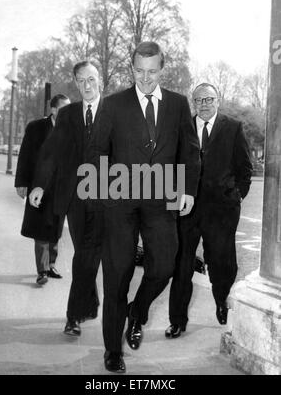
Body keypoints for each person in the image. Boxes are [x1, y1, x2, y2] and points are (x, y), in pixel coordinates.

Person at [91, 41, 201, 373]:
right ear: (132, 68)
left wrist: (188, 191)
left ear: (162, 69)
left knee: (164, 267)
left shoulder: (179, 105)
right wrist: (104, 196)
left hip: (161, 198)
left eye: (152, 71)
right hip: (120, 201)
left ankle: (137, 312)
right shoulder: (112, 105)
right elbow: (96, 151)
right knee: (117, 275)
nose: (145, 78)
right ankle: (113, 351)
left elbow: (190, 150)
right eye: (139, 70)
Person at [165, 83, 253, 339]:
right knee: (181, 265)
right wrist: (174, 200)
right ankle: (177, 320)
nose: (204, 104)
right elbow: (172, 166)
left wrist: (236, 195)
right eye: (199, 100)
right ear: (193, 103)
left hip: (222, 211)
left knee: (223, 264)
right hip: (187, 210)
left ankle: (221, 299)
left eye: (209, 99)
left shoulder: (233, 127)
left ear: (218, 101)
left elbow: (244, 168)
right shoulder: (183, 128)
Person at [29, 61, 103, 336]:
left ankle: (85, 306)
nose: (87, 85)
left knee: (92, 254)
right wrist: (39, 186)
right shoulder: (69, 114)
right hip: (76, 198)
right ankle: (74, 314)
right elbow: (51, 152)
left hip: (109, 196)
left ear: (100, 80)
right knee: (85, 253)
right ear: (76, 83)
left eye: (91, 79)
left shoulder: (115, 112)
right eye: (81, 80)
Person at [15, 94, 70, 285]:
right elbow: (25, 156)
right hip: (39, 187)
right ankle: (42, 270)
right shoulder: (36, 128)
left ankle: (51, 264)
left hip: (61, 189)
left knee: (56, 228)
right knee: (40, 229)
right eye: (64, 108)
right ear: (53, 110)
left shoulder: (71, 130)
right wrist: (21, 183)